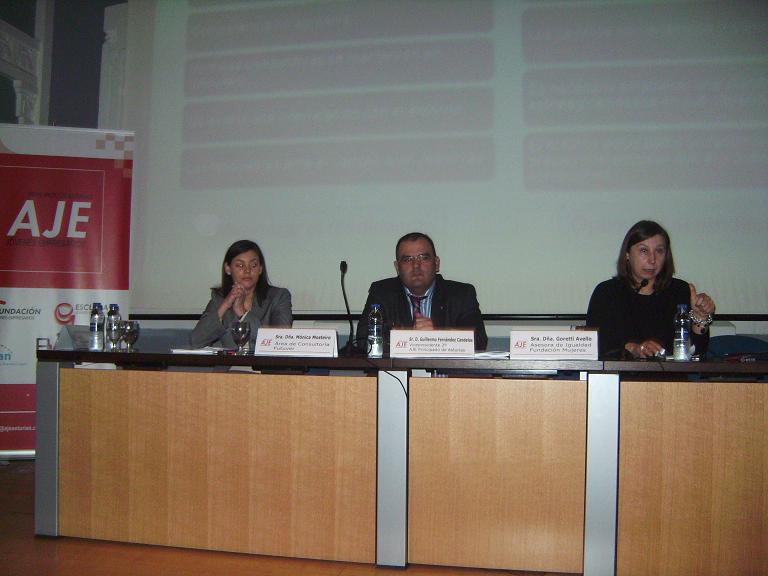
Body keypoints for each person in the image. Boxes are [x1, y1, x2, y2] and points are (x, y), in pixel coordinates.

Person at [586, 220, 715, 359]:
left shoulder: (680, 291)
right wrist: (633, 348)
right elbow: (595, 346)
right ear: (627, 254)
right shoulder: (607, 293)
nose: (652, 259)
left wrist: (700, 319)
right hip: (621, 378)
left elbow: (698, 352)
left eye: (659, 251)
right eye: (643, 251)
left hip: (671, 379)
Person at [356, 232, 488, 351]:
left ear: (436, 263)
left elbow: (479, 341)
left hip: (446, 376)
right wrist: (409, 339)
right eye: (408, 259)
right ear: (397, 267)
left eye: (423, 258)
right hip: (396, 374)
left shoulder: (461, 294)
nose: (416, 265)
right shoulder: (381, 293)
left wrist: (435, 336)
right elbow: (363, 340)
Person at [190, 240, 292, 348]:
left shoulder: (279, 296)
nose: (247, 270)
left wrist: (242, 312)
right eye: (240, 265)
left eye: (253, 265)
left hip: (265, 364)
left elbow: (282, 340)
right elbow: (195, 341)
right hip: (230, 364)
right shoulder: (219, 299)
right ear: (228, 269)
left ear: (260, 269)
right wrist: (225, 305)